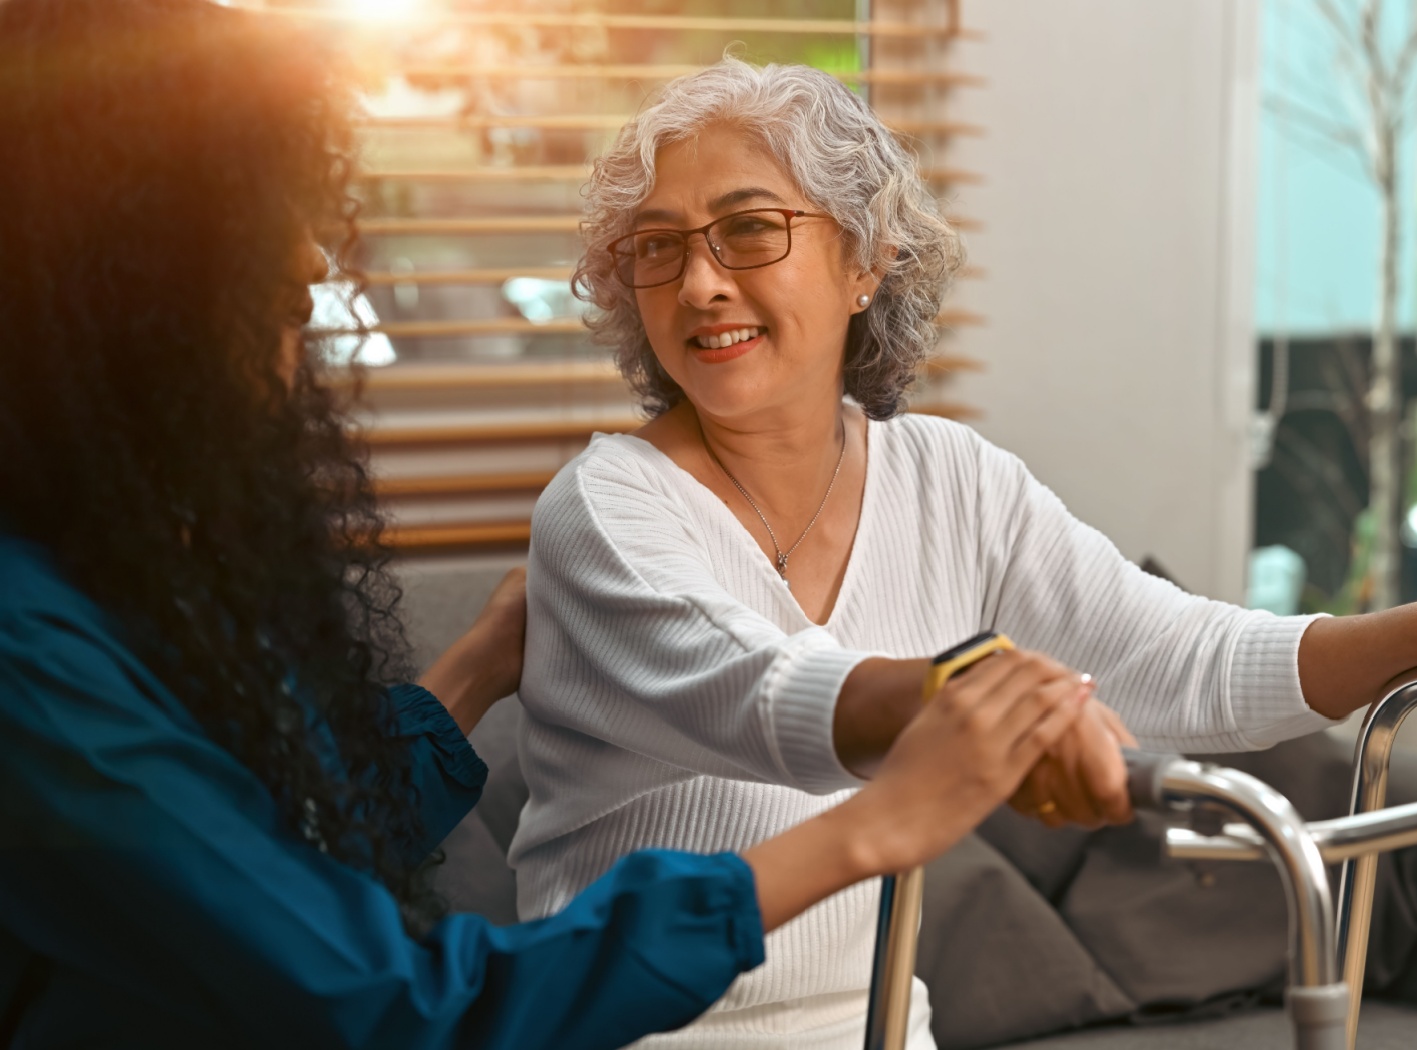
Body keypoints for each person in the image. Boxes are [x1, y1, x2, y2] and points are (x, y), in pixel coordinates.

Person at [0, 3, 1099, 1046]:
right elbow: (404, 1012)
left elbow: (303, 840)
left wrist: (483, 660)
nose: (309, 271)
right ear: (107, 278)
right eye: (255, 255)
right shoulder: (29, 656)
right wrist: (870, 829)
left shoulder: (122, 580)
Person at [510, 57, 1417, 1048]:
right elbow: (764, 690)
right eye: (658, 248)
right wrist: (987, 699)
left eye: (749, 229)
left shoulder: (949, 479)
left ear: (865, 260)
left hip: (881, 1026)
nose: (699, 283)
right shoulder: (604, 510)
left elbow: (1182, 661)